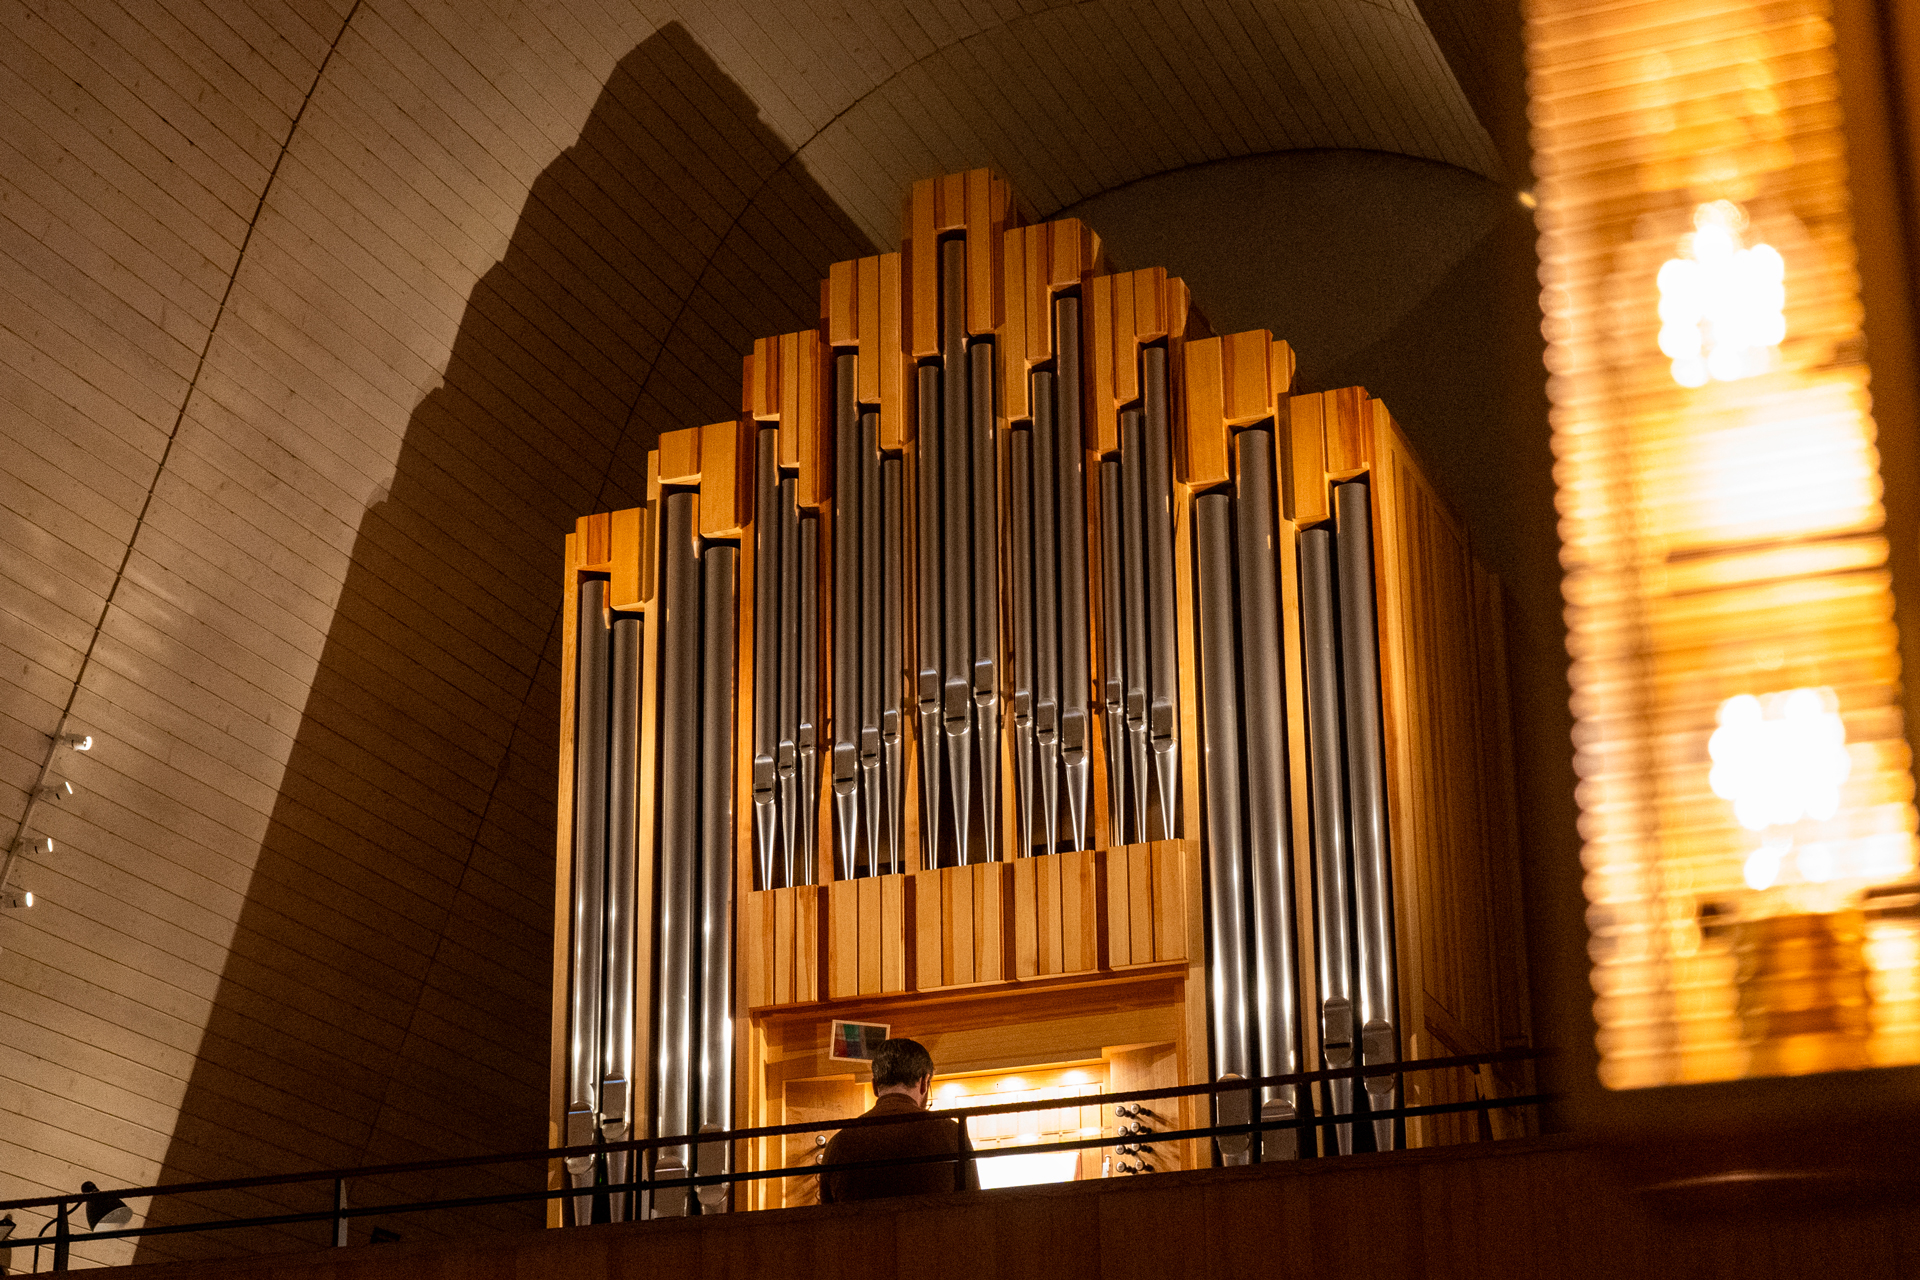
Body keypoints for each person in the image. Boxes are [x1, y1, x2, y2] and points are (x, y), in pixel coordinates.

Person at [818, 1038, 979, 1202]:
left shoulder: (837, 1145)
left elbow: (826, 1220)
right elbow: (976, 1207)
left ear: (874, 1086)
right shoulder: (952, 1134)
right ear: (924, 1082)